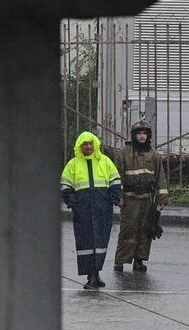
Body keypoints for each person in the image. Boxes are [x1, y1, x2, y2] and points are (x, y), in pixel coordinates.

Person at [61, 131, 122, 289]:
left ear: (95, 144)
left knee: (101, 241)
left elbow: (115, 180)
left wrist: (113, 198)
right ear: (79, 147)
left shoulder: (105, 161)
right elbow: (65, 185)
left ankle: (96, 273)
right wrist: (73, 202)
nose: (88, 147)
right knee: (86, 242)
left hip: (102, 209)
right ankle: (91, 276)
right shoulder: (73, 164)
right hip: (83, 211)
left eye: (90, 143)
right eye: (85, 144)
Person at [113, 119, 169, 272]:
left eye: (145, 133)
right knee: (128, 230)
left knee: (145, 230)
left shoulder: (154, 155)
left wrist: (162, 198)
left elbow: (160, 177)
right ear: (134, 135)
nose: (142, 136)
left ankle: (139, 260)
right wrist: (119, 196)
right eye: (139, 133)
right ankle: (121, 261)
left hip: (147, 200)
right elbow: (117, 177)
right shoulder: (123, 154)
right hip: (130, 200)